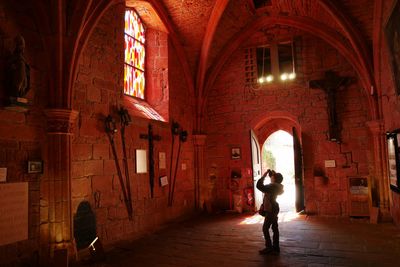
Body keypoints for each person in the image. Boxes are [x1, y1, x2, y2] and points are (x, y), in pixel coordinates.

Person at [256, 169, 284, 254]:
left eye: (272, 177)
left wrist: (264, 175)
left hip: (271, 209)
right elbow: (272, 181)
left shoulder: (272, 187)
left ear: (274, 179)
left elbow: (259, 186)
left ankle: (269, 247)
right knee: (275, 228)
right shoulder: (277, 186)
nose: (271, 177)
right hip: (274, 208)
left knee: (265, 228)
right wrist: (272, 174)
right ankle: (276, 247)